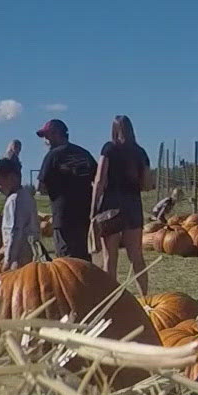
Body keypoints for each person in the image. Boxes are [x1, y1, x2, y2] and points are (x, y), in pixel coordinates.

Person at [92, 115, 153, 293]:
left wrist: (93, 208)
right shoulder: (140, 152)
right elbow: (147, 184)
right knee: (136, 256)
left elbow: (99, 180)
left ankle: (110, 298)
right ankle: (144, 296)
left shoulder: (109, 149)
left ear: (113, 130)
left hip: (110, 206)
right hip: (133, 205)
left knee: (110, 257)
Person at [34, 120, 97, 259]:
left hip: (63, 216)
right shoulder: (83, 154)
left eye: (47, 136)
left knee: (66, 261)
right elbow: (98, 180)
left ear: (56, 134)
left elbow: (41, 186)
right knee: (83, 257)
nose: (46, 140)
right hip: (84, 214)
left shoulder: (53, 155)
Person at [0, 148, 37, 270]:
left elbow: (14, 231)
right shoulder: (26, 195)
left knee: (14, 285)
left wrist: (8, 260)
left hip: (18, 255)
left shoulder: (14, 200)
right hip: (31, 250)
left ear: (12, 178)